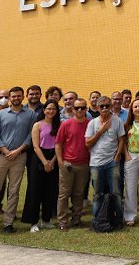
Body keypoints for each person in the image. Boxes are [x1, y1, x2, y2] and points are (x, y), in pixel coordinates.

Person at [0, 86, 36, 234]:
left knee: (14, 191)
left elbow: (31, 135)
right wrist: (5, 151)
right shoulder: (0, 114)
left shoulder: (30, 114)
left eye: (19, 96)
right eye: (13, 96)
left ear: (22, 97)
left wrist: (18, 151)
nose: (16, 98)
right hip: (1, 157)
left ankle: (8, 222)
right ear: (10, 98)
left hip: (19, 157)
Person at [21, 100, 61, 232]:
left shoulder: (59, 126)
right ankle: (33, 222)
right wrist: (45, 162)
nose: (51, 111)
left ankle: (46, 219)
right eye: (48, 109)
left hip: (54, 157)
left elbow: (60, 145)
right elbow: (36, 146)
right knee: (35, 190)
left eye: (54, 109)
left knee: (50, 190)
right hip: (38, 158)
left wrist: (53, 161)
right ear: (44, 110)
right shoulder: (37, 125)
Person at [86, 95, 126, 218]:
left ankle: (119, 219)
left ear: (111, 107)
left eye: (107, 106)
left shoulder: (117, 121)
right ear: (97, 108)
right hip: (96, 164)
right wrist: (100, 131)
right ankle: (97, 219)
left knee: (116, 192)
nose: (104, 108)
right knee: (97, 193)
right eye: (101, 106)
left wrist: (118, 155)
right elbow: (87, 143)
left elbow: (121, 140)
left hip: (112, 163)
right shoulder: (93, 123)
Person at [55, 98, 92, 230]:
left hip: (84, 164)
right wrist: (60, 162)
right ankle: (62, 222)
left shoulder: (90, 124)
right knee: (64, 194)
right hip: (68, 163)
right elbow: (58, 144)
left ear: (86, 109)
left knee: (79, 194)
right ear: (73, 109)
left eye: (82, 107)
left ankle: (76, 219)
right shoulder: (66, 124)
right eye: (77, 108)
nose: (80, 110)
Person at [124, 98, 139, 225]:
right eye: (135, 107)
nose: (138, 109)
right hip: (131, 156)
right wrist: (126, 155)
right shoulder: (127, 124)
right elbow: (122, 141)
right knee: (130, 187)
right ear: (131, 110)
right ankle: (130, 216)